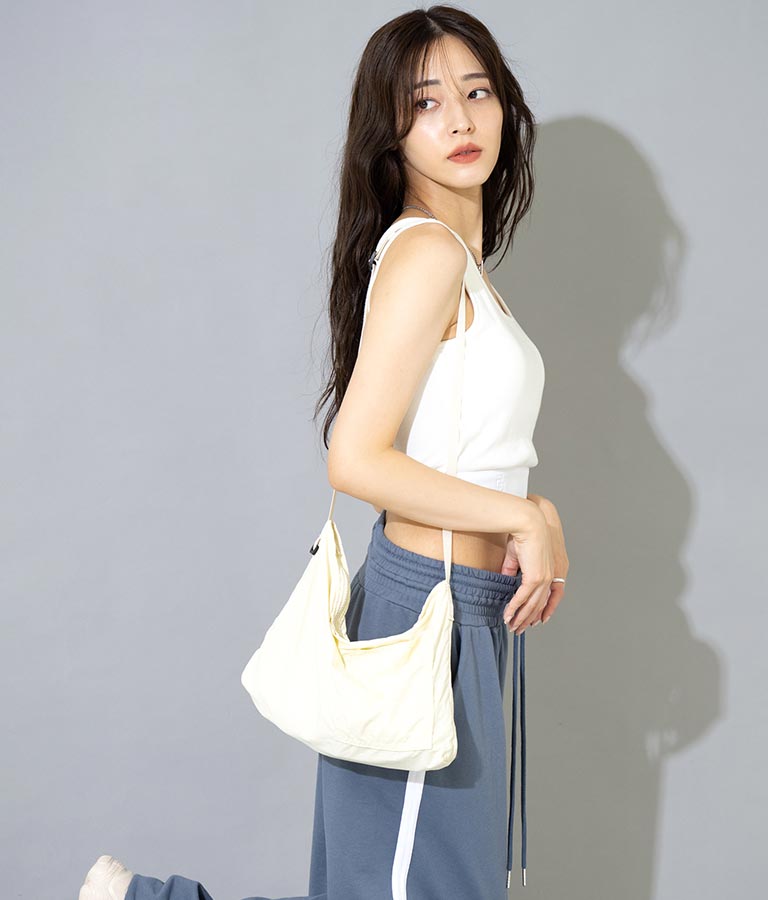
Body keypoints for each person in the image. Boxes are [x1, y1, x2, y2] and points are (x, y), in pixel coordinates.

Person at [79, 5, 569, 900]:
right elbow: (356, 459)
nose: (460, 120)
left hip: (463, 613)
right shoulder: (427, 255)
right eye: (426, 103)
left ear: (506, 106)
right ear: (392, 132)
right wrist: (522, 518)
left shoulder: (462, 264)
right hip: (428, 616)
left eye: (477, 92)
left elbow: (469, 449)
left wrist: (534, 512)